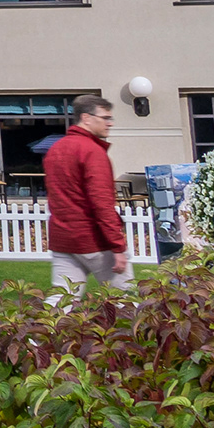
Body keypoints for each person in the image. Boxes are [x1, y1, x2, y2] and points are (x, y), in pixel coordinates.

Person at [43, 96, 128, 295]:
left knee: (62, 303)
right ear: (86, 118)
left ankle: (34, 328)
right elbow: (102, 203)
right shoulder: (92, 152)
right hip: (94, 239)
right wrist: (117, 246)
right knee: (124, 300)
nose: (110, 123)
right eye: (105, 118)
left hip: (63, 238)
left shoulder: (55, 150)